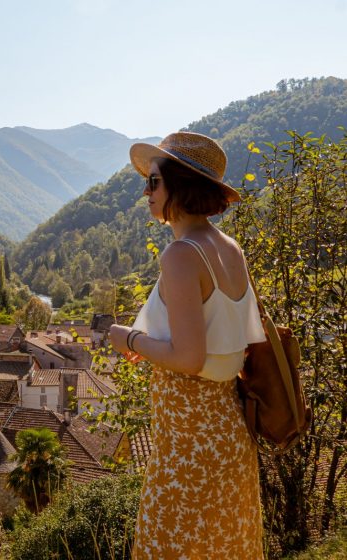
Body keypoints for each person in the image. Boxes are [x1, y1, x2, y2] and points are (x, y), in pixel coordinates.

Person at [109, 132, 267, 559]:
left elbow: (189, 357)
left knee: (171, 545)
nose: (146, 191)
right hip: (228, 432)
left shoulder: (181, 255)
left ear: (180, 184)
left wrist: (130, 338)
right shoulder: (230, 249)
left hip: (188, 440)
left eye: (154, 181)